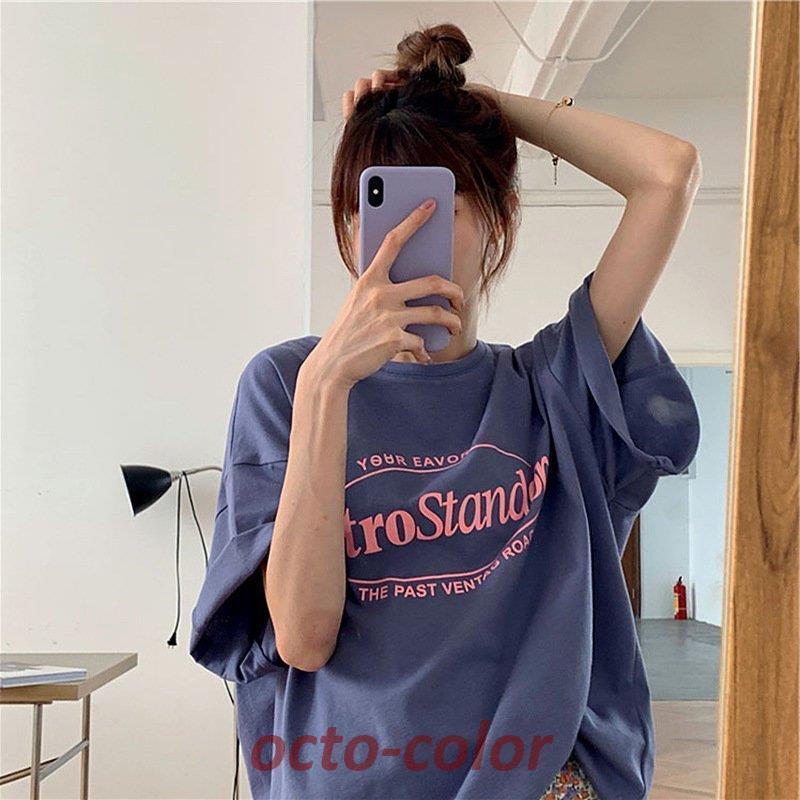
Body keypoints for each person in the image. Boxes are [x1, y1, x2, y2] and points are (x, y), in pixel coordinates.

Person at [189, 22, 701, 800]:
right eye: (372, 205)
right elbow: (303, 638)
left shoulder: (550, 387)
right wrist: (327, 388)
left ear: (496, 216)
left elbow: (668, 173)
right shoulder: (289, 384)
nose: (398, 236)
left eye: (435, 203)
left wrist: (475, 105)